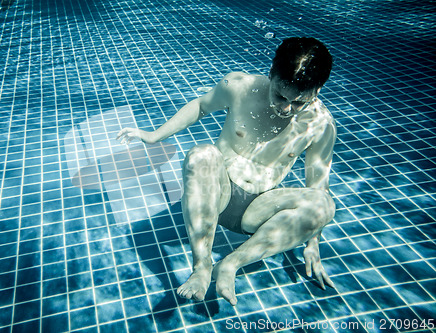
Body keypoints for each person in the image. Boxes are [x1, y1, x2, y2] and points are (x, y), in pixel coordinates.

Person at [117, 37, 336, 306]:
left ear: (318, 90)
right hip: (217, 193)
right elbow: (200, 106)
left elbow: (317, 185)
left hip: (257, 210)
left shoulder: (320, 124)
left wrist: (312, 243)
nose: (286, 108)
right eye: (280, 95)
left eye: (299, 102)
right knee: (202, 154)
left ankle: (231, 264)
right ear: (271, 74)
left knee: (324, 204)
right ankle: (202, 267)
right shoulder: (240, 87)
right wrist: (154, 136)